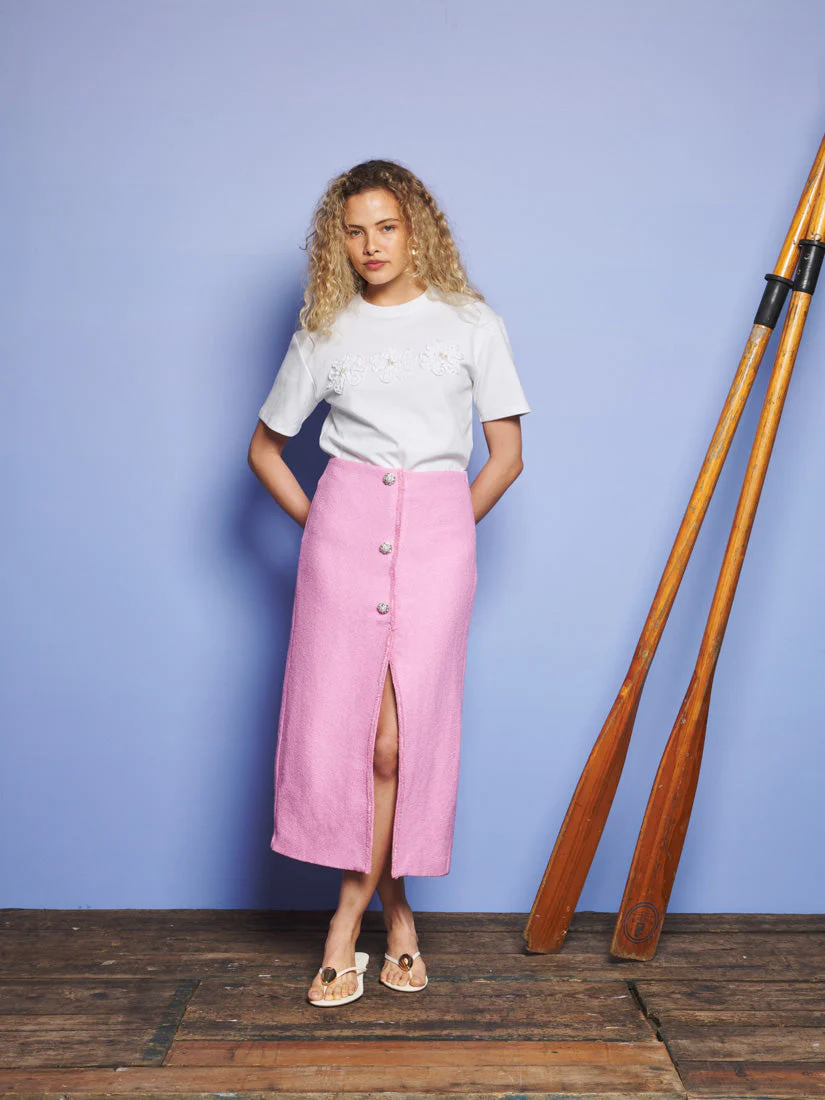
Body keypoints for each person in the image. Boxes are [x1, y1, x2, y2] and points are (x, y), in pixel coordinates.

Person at [248, 158, 531, 1005]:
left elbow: (506, 456)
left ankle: (354, 918)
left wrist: (443, 531)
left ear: (416, 232)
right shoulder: (325, 331)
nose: (370, 245)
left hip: (438, 538)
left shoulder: (470, 322)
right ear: (336, 243)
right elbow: (265, 450)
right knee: (362, 744)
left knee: (403, 744)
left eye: (386, 226)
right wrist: (325, 528)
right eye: (353, 231)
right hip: (343, 538)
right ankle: (388, 918)